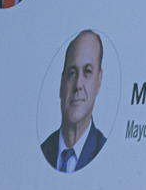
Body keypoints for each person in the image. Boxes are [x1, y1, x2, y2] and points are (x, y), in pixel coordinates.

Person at [40, 30, 107, 173]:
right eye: (72, 73)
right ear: (61, 83)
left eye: (87, 71)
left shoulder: (105, 151)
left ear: (99, 81)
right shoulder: (42, 151)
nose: (78, 85)